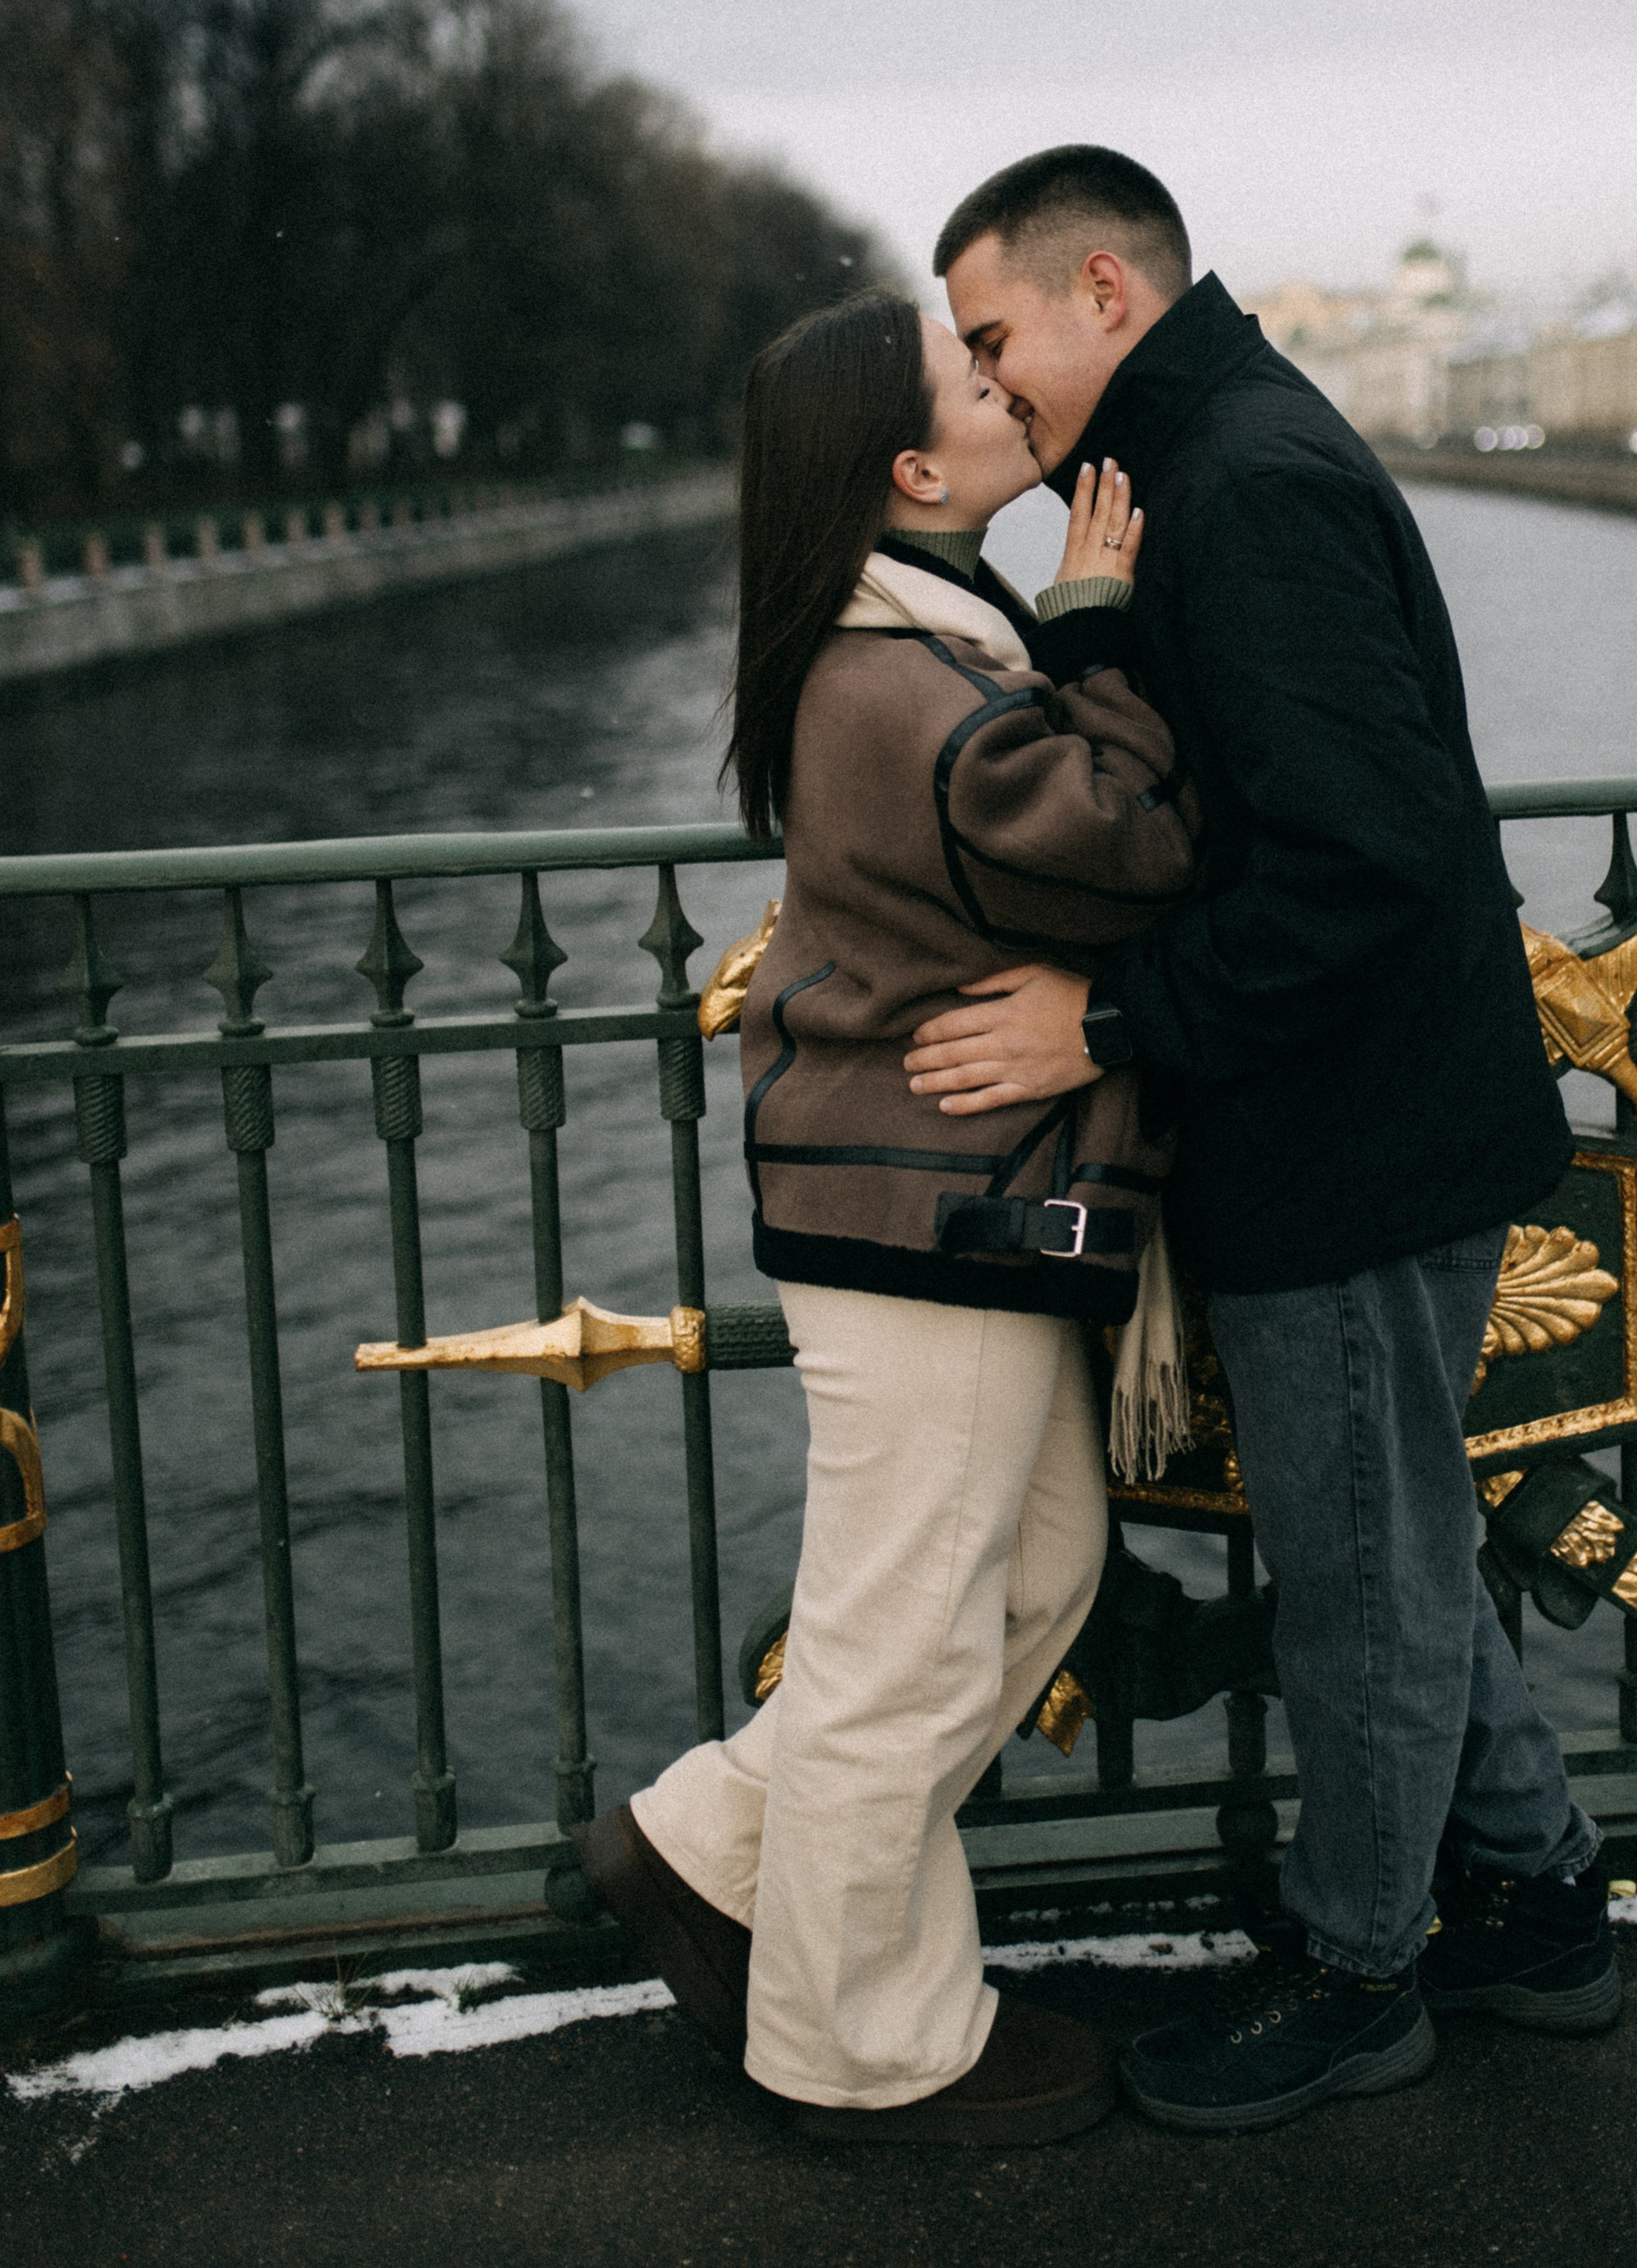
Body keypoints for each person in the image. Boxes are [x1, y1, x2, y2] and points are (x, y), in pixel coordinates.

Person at [912, 145, 1610, 2138]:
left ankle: (1355, 1970)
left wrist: (1111, 1015)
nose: (988, 387)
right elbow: (1251, 800)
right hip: (1365, 1114)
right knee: (1396, 1540)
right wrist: (1100, 629)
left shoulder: (1247, 483)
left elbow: (1362, 864)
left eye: (993, 339)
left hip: (1346, 1133)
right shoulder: (1200, 465)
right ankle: (1543, 1901)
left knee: (1360, 1570)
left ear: (1102, 288)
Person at [573, 287, 1200, 2146]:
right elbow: (1127, 848)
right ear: (915, 467)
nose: (1011, 385)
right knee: (905, 1636)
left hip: (944, 1205)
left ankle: (713, 1847)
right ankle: (861, 2044)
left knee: (1024, 1577)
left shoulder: (916, 632)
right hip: (921, 1214)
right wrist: (1104, 624)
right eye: (973, 378)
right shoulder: (897, 674)